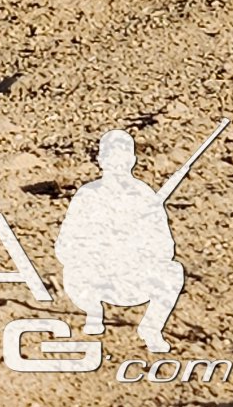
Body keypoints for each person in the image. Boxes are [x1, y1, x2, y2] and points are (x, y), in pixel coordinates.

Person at [56, 128, 189, 351]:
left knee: (173, 271)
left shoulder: (145, 196)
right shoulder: (87, 195)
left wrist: (135, 247)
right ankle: (93, 312)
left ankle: (151, 328)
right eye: (111, 158)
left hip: (131, 277)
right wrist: (97, 248)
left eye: (123, 159)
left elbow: (165, 247)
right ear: (100, 160)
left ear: (132, 160)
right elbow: (64, 246)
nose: (117, 165)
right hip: (95, 278)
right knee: (74, 271)